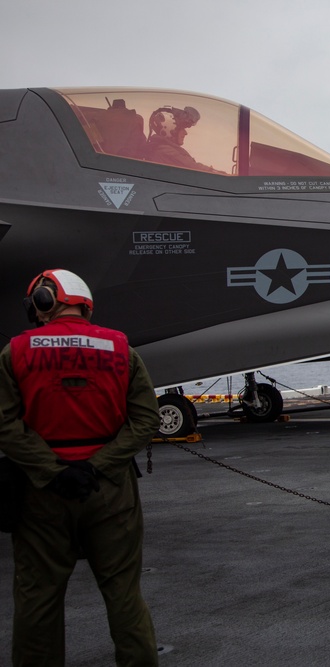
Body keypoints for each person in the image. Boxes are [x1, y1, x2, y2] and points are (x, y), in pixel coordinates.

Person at [0, 269, 160, 666]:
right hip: (109, 490)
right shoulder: (121, 348)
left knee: (38, 599)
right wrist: (97, 466)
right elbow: (146, 421)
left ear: (45, 300)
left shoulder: (16, 351)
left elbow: (4, 423)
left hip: (41, 492)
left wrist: (53, 470)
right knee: (124, 594)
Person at [145, 105, 226, 174]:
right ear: (170, 129)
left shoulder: (164, 148)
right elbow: (194, 168)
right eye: (182, 129)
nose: (185, 133)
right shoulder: (165, 151)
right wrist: (220, 174)